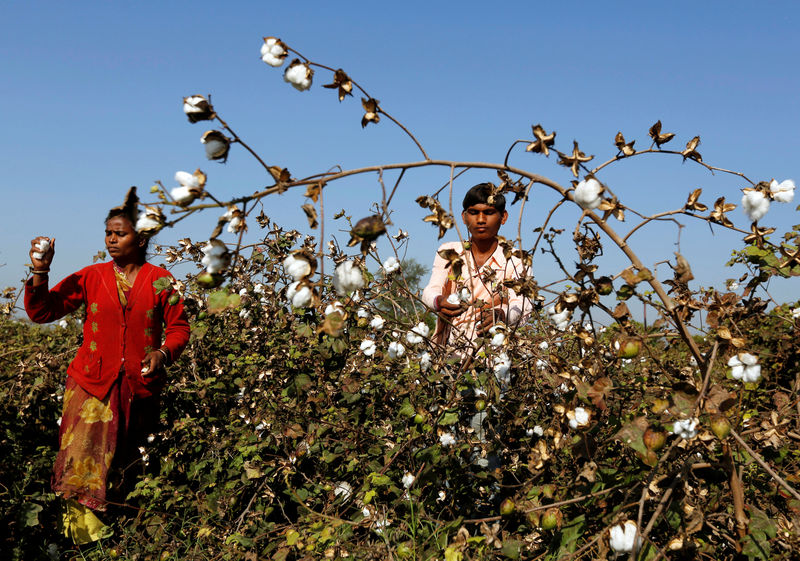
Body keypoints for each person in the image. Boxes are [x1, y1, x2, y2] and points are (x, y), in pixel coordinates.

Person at [24, 188, 190, 544]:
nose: (112, 240)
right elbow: (43, 311)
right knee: (80, 458)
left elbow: (179, 328)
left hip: (138, 388)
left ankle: (126, 539)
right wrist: (41, 270)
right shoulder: (92, 276)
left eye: (120, 233)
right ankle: (83, 542)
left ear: (141, 237)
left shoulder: (162, 280)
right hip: (90, 384)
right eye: (109, 233)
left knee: (129, 459)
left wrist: (163, 354)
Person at [422, 183, 531, 352]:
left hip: (492, 357)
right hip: (447, 353)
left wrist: (501, 315)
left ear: (503, 217)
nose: (480, 219)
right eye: (474, 213)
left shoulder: (516, 259)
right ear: (464, 217)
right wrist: (440, 301)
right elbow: (430, 290)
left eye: (488, 212)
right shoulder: (449, 252)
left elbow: (523, 306)